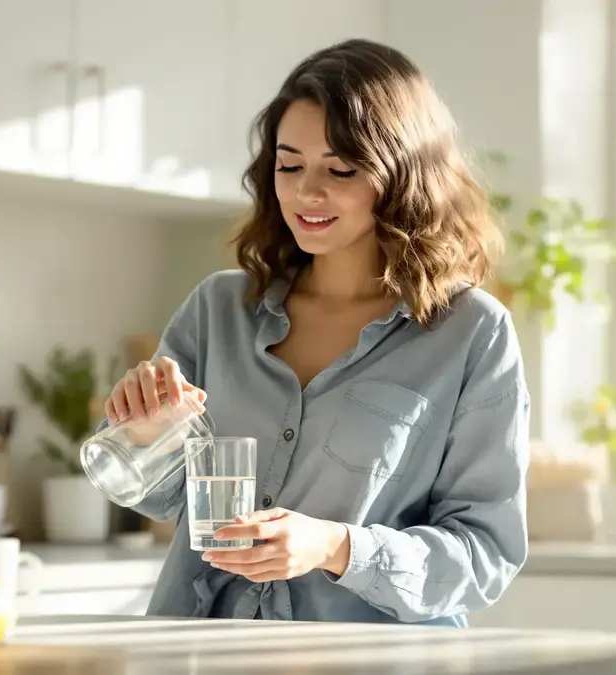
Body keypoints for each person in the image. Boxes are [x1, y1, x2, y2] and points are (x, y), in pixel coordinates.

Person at [101, 38, 530, 627]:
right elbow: (160, 497)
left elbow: (485, 554)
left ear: (402, 174)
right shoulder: (218, 309)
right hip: (202, 650)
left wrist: (335, 548)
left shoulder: (471, 333)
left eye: (341, 169)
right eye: (290, 164)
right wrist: (148, 433)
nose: (307, 192)